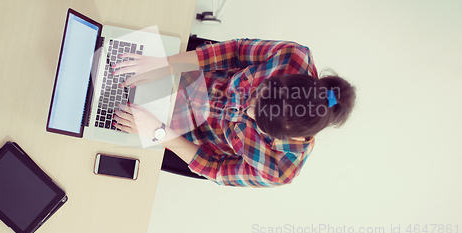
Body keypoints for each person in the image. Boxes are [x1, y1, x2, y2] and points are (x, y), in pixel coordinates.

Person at [110, 39, 356, 187]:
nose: (247, 109)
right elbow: (237, 51)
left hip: (170, 132)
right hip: (178, 75)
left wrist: (158, 132)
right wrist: (168, 64)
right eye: (257, 94)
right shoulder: (292, 57)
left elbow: (215, 168)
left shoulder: (280, 169)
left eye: (257, 119)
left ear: (284, 136)